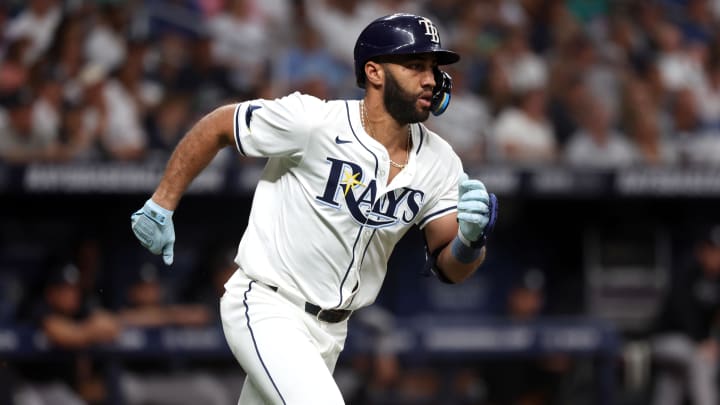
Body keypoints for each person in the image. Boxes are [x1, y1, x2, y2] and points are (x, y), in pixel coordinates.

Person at [130, 13, 497, 404]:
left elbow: (450, 267)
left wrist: (470, 243)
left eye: (433, 68)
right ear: (374, 72)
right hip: (269, 305)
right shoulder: (314, 122)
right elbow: (222, 124)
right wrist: (162, 202)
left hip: (332, 333)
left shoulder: (441, 162)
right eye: (415, 66)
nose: (430, 79)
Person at [650, 224, 720, 405]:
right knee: (701, 362)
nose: (718, 257)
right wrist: (702, 341)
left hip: (691, 343)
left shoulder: (717, 279)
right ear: (704, 250)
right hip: (666, 339)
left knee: (671, 384)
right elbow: (683, 312)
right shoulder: (687, 269)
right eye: (715, 251)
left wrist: (710, 341)